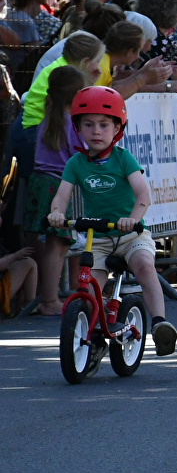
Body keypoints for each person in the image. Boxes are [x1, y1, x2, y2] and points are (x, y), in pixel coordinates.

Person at [46, 86, 176, 354]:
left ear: (117, 128)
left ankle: (160, 323)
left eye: (104, 125)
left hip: (131, 235)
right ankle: (93, 334)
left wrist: (132, 220)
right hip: (98, 238)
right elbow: (62, 196)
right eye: (89, 124)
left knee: (144, 266)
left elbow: (143, 196)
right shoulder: (76, 163)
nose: (96, 131)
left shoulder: (123, 158)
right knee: (88, 288)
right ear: (78, 128)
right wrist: (57, 213)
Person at [23, 66, 84, 316]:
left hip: (40, 183)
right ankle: (49, 300)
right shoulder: (72, 125)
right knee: (58, 246)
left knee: (48, 244)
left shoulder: (47, 120)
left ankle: (42, 295)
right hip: (58, 186)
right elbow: (80, 156)